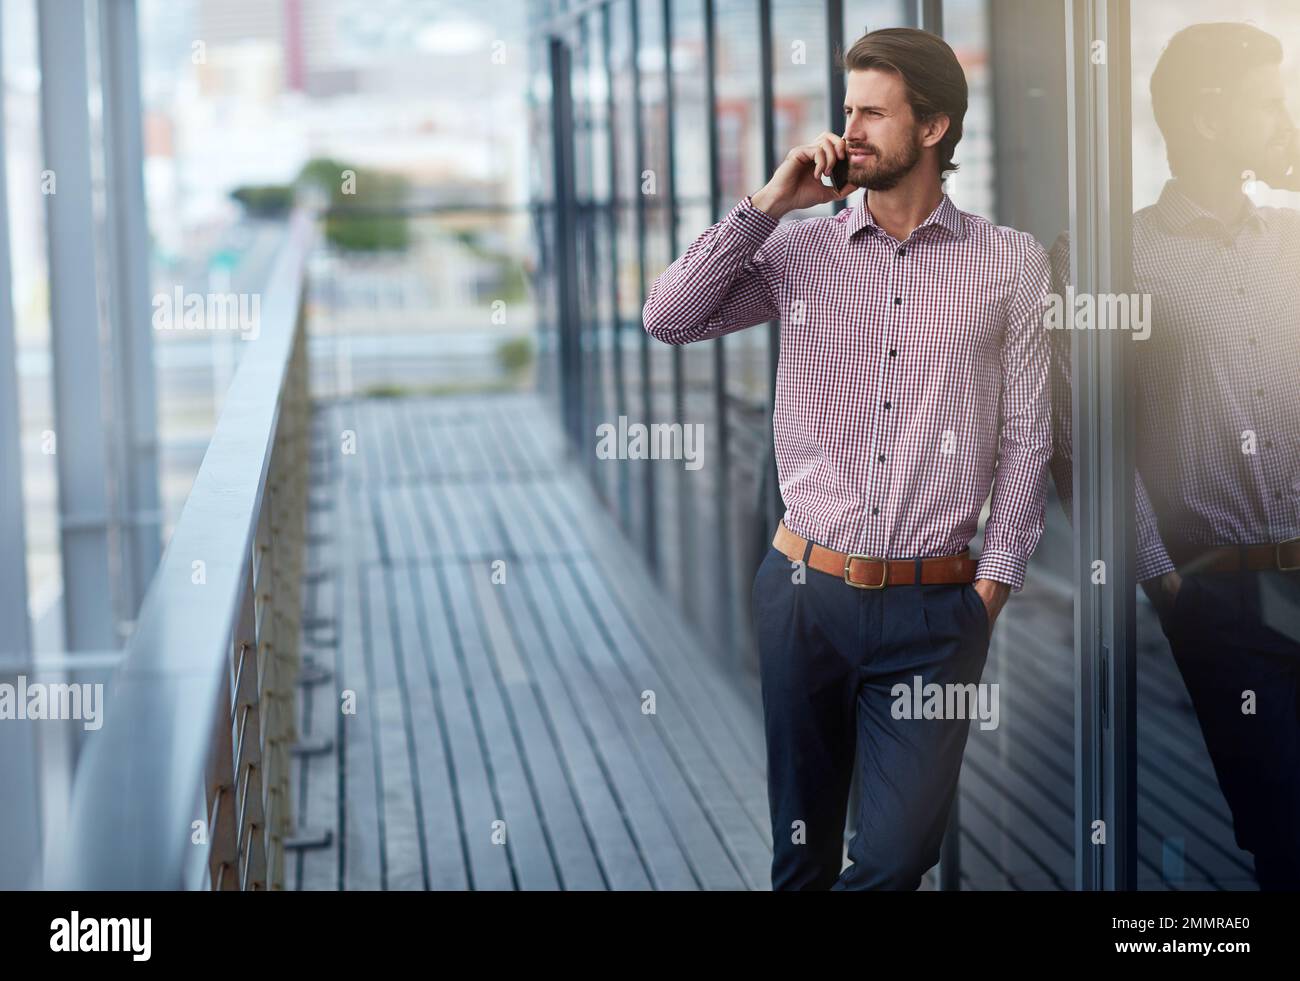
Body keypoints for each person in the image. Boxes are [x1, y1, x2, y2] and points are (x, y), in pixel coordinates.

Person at [642, 27, 1052, 890]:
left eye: (873, 111)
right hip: (804, 597)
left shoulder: (1012, 263)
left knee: (898, 855)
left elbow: (1026, 436)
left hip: (938, 611)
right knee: (802, 858)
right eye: (847, 109)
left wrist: (990, 594)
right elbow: (670, 317)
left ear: (933, 127)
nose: (849, 129)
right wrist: (769, 204)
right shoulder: (799, 251)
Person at [1048, 21, 1300, 890]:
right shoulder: (1108, 261)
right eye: (1269, 103)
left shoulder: (1296, 237)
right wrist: (1168, 582)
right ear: (1203, 119)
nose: (1286, 118)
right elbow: (1080, 442)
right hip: (1227, 601)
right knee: (1288, 840)